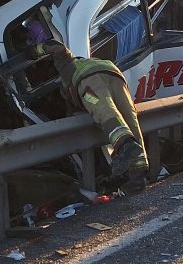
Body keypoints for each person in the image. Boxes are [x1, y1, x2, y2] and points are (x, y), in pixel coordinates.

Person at [28, 40, 150, 190]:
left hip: (89, 79)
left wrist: (34, 51)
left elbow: (57, 48)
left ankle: (125, 145)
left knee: (105, 113)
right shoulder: (88, 62)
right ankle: (138, 177)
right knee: (130, 121)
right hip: (114, 73)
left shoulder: (66, 67)